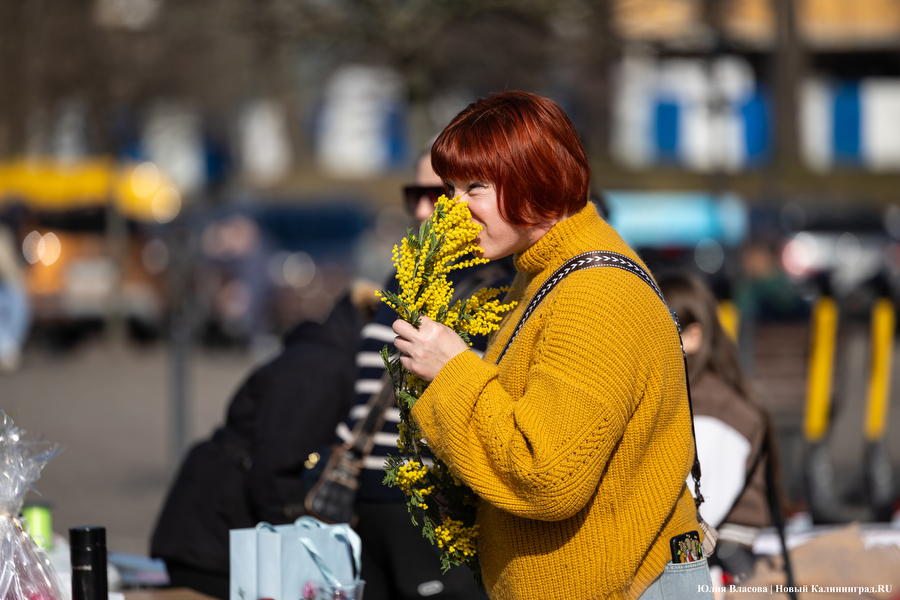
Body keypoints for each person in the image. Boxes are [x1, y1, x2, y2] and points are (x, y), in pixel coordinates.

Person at [390, 91, 713, 600]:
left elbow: (548, 474)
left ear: (537, 180)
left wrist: (453, 372)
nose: (454, 209)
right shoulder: (547, 275)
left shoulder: (595, 295)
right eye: (450, 189)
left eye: (475, 187)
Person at [336, 151, 513, 600]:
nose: (421, 210)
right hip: (363, 501)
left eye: (436, 196)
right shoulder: (404, 277)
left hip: (436, 508)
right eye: (415, 194)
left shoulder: (498, 289)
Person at [150, 294, 364, 600]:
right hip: (215, 542)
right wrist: (301, 555)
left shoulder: (324, 359)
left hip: (218, 531)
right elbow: (276, 467)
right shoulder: (321, 367)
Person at [659, 273, 775, 581]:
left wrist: (675, 581)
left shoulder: (713, 411)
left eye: (655, 331)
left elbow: (697, 514)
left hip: (719, 573)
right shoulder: (693, 399)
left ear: (692, 337)